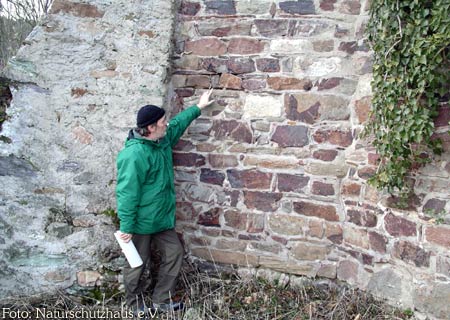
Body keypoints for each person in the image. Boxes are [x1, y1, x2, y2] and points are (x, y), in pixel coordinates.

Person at [115, 90, 214, 315]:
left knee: (174, 254)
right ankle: (134, 305)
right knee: (136, 265)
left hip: (161, 219)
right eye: (162, 122)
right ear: (151, 128)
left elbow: (178, 124)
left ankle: (161, 300)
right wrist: (127, 227)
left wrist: (198, 107)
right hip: (140, 222)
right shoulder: (134, 155)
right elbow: (127, 193)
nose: (166, 124)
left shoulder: (161, 140)